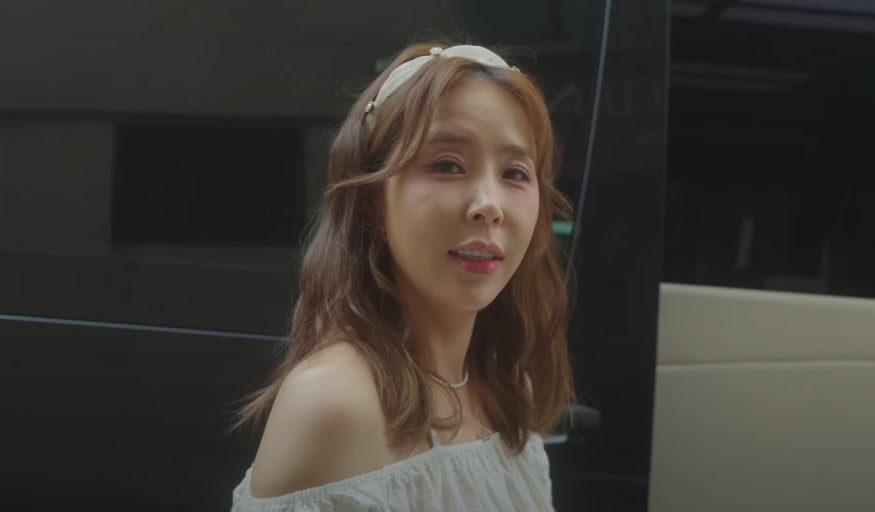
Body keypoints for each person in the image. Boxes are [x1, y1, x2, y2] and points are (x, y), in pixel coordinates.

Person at [230, 40, 576, 512]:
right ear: (372, 199)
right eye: (448, 165)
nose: (489, 205)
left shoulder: (507, 384)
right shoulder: (334, 404)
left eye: (515, 173)